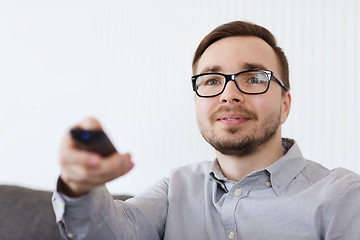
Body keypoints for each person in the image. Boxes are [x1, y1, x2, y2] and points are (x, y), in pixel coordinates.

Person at [52, 21, 360, 240]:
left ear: (285, 105)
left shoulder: (344, 197)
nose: (229, 95)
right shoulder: (175, 190)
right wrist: (80, 188)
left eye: (253, 78)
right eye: (212, 81)